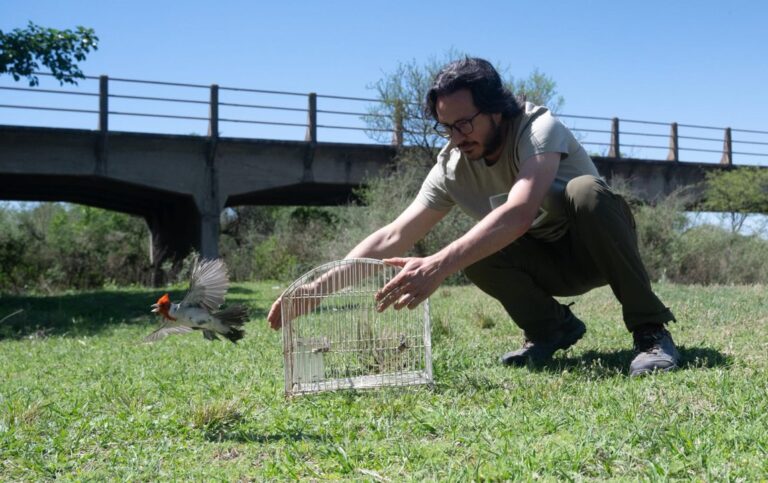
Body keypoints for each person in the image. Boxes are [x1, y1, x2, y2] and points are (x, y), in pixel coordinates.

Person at [268, 57, 680, 377]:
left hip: (599, 249)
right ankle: (551, 329)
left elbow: (519, 212)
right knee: (474, 249)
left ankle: (650, 331)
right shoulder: (451, 167)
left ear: (496, 110)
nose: (457, 137)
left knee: (585, 191)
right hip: (547, 265)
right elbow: (393, 235)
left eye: (465, 123)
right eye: (447, 127)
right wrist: (317, 289)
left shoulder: (538, 129)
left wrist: (437, 265)